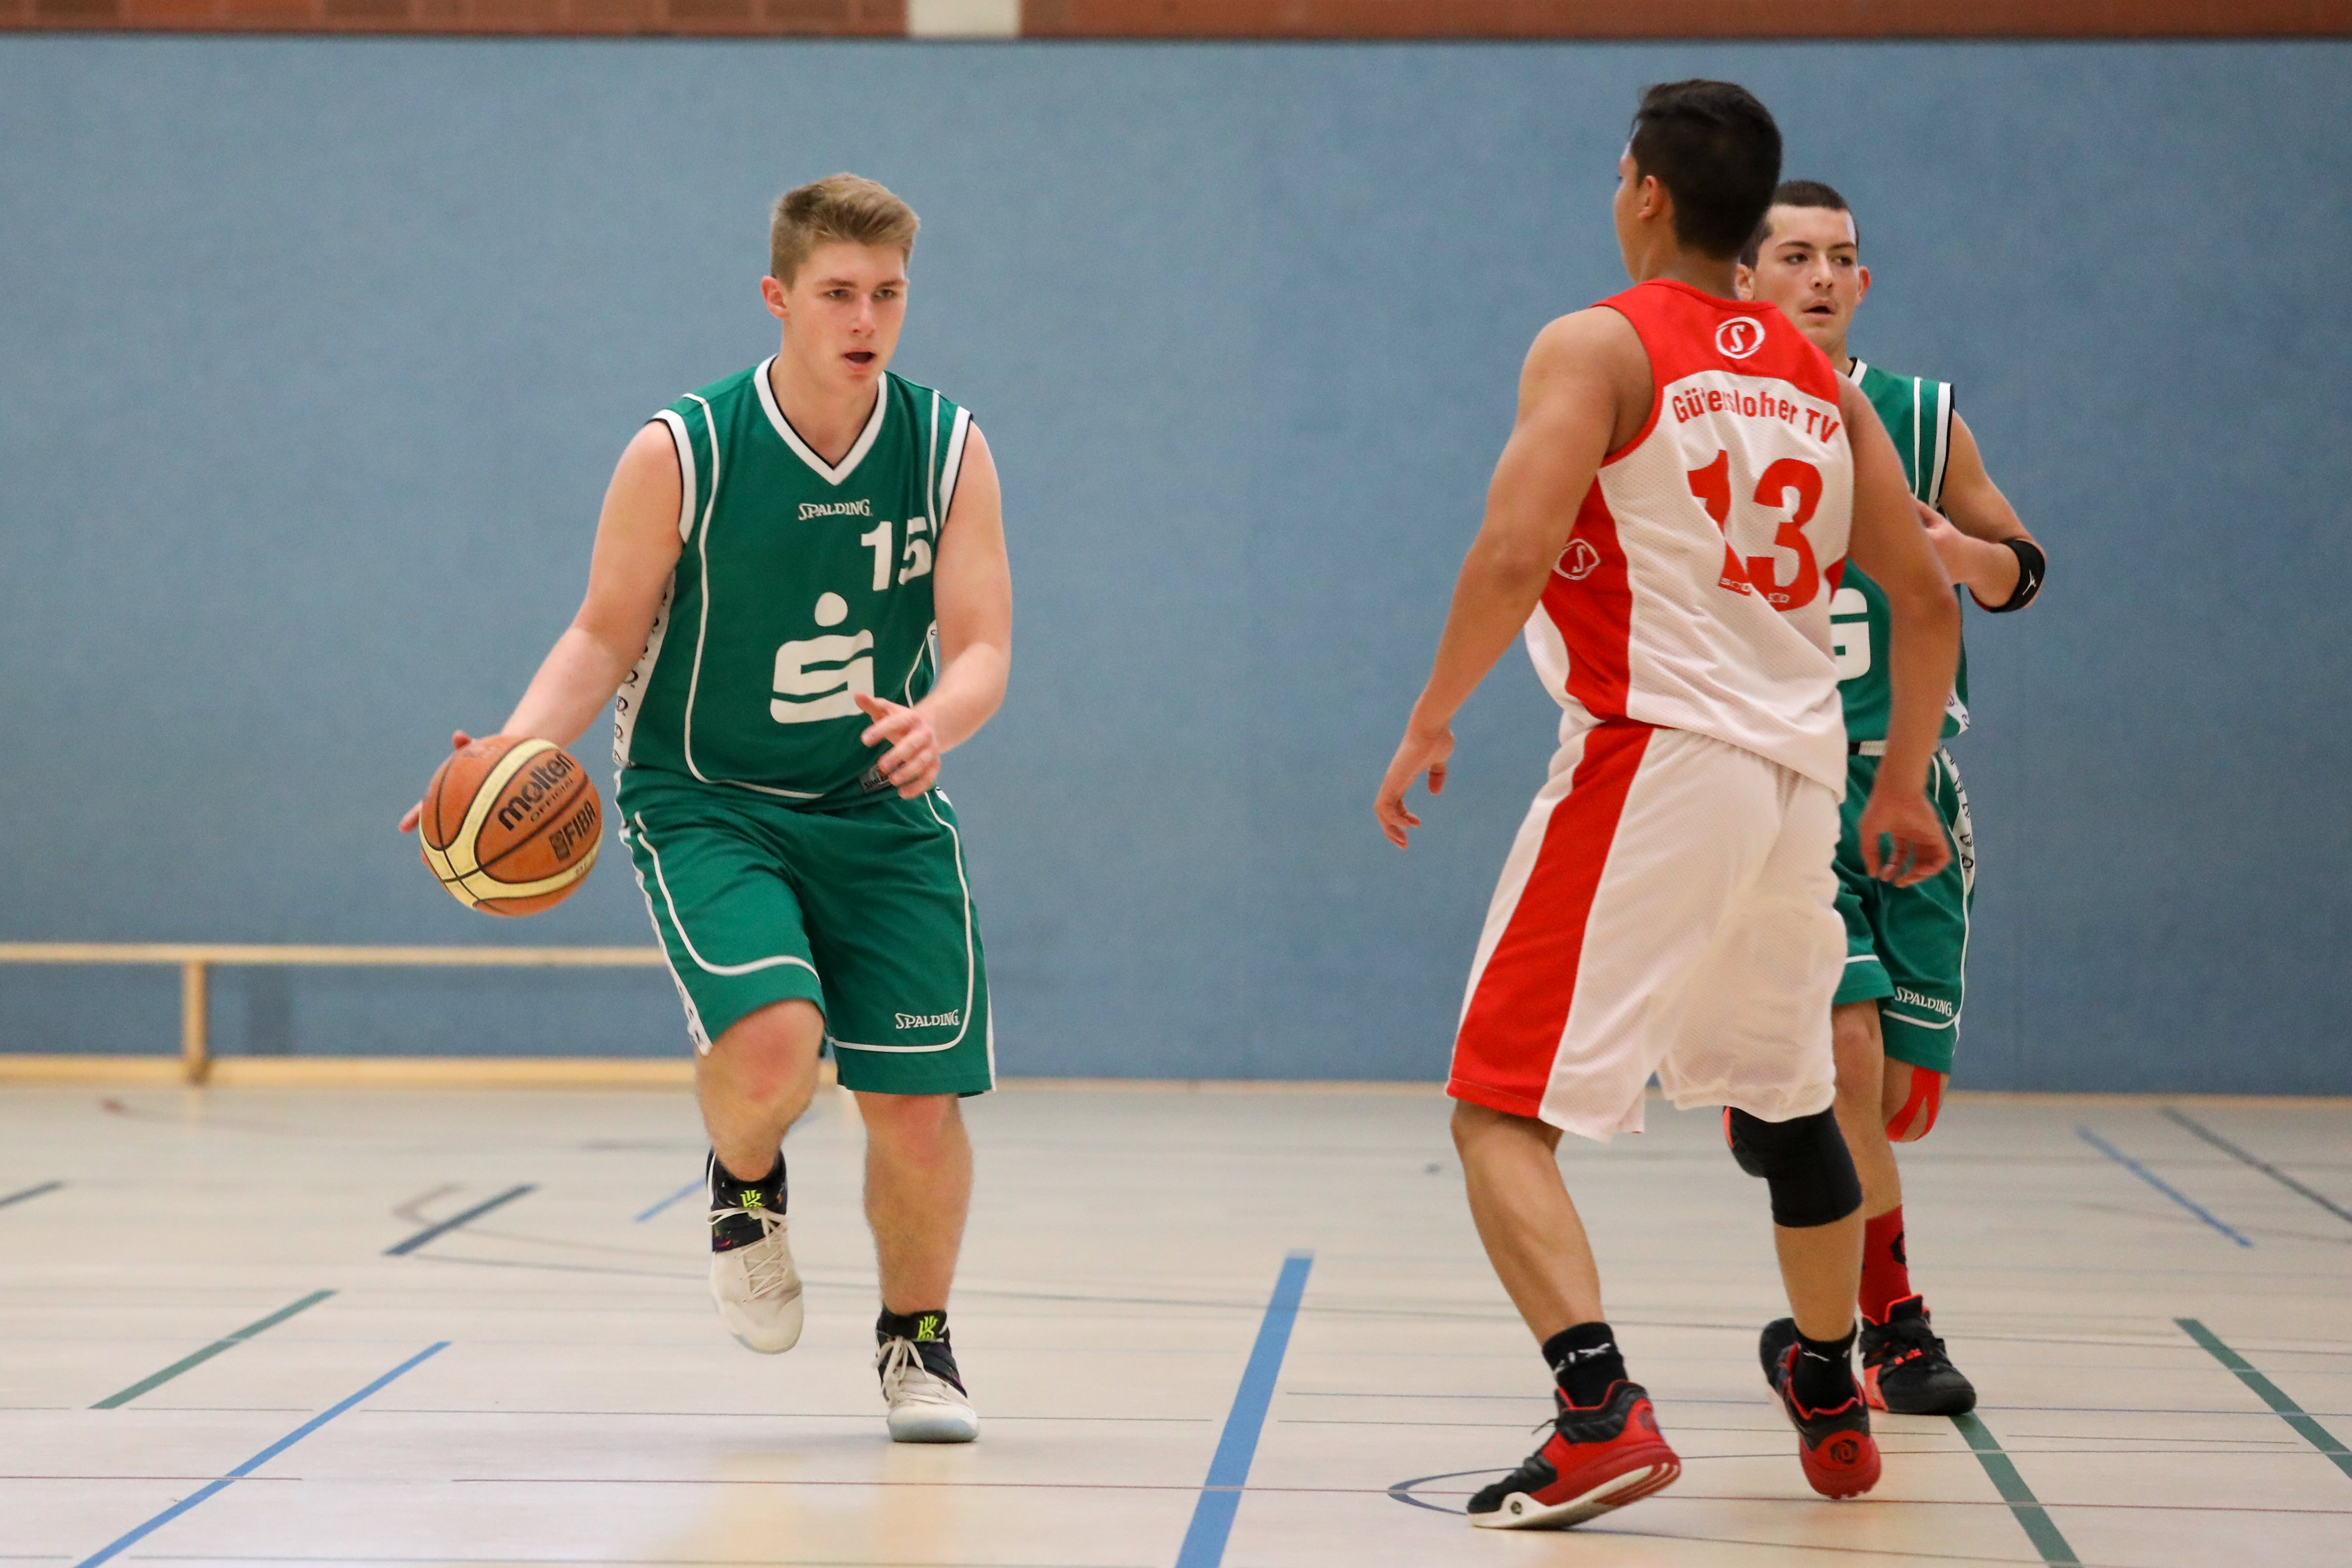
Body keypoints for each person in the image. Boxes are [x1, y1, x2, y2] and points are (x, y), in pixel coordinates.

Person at [1374, 81, 1960, 1529]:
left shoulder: (1599, 342)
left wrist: (1432, 711)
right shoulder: (1823, 384)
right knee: (1793, 1104)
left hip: (1656, 755)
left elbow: (1512, 548)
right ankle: (1828, 1380)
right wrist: (1898, 781)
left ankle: (1596, 1411)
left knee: (1495, 1109)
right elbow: (1928, 596)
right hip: (1798, 783)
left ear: (1642, 188)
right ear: (1750, 220)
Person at [400, 174, 1012, 1444]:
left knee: (914, 1107)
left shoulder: (948, 446)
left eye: (888, 293)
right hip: (707, 798)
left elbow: (983, 646)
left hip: (877, 802)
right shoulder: (682, 450)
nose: (865, 319)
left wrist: (939, 720)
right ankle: (744, 1183)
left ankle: (918, 1343)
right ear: (777, 298)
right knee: (778, 1044)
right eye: (837, 293)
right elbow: (600, 633)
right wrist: (514, 749)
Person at [1737, 180, 2045, 1415]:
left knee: (1894, 1100)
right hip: (1778, 787)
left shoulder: (1919, 417)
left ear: (1863, 282)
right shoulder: (1709, 418)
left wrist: (1963, 558)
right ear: (1743, 277)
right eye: (1793, 255)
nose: (1820, 276)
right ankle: (1893, 1330)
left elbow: (2020, 568)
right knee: (1847, 1056)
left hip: (1905, 787)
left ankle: (1805, 1221)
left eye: (1840, 257)